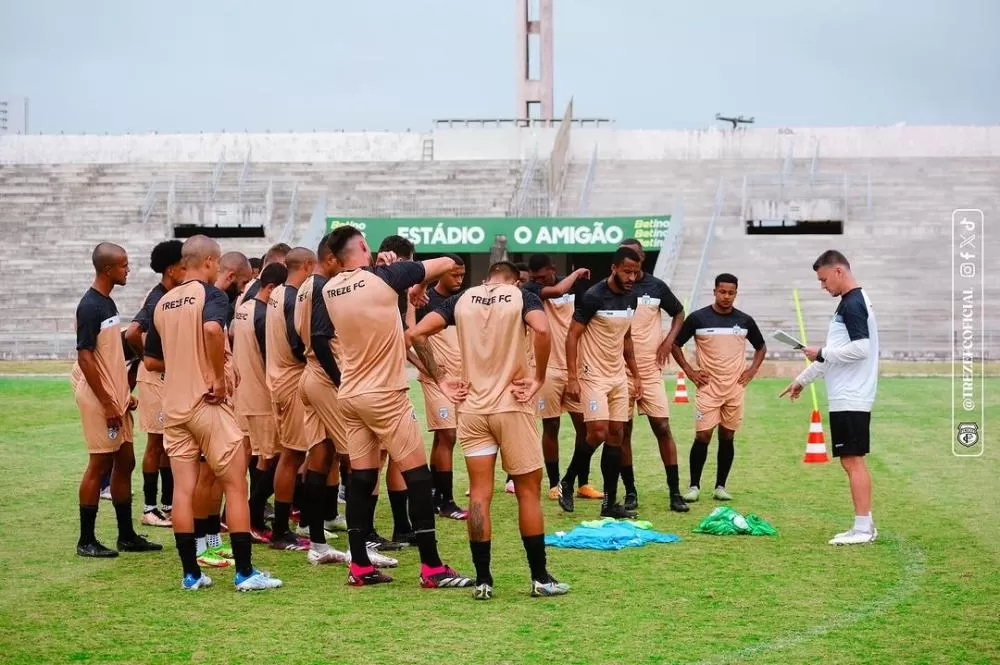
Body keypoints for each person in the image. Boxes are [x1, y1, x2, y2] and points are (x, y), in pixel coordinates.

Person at [407, 260, 570, 600]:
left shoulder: (463, 299)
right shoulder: (521, 296)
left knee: (480, 494)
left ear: (486, 279)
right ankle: (540, 578)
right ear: (515, 281)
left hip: (472, 409)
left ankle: (483, 580)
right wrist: (538, 378)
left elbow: (416, 333)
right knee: (528, 492)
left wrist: (441, 379)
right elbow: (542, 330)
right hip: (512, 405)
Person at [322, 225, 471, 587]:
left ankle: (359, 566)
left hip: (351, 394)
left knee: (362, 479)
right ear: (362, 246)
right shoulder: (385, 277)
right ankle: (432, 567)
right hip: (385, 394)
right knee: (418, 477)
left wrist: (398, 279)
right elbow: (448, 262)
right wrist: (417, 285)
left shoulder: (330, 288)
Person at [144, 234, 281, 591]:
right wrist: (217, 378)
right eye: (216, 263)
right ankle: (245, 573)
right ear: (208, 262)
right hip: (208, 403)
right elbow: (211, 329)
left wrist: (185, 363)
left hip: (174, 407)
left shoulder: (162, 303)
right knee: (235, 484)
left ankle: (191, 574)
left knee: (182, 490)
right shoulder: (211, 295)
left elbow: (151, 359)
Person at [780, 250, 880, 545]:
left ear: (839, 271)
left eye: (823, 280)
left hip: (851, 395)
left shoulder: (853, 304)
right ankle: (865, 525)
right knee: (851, 461)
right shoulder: (849, 303)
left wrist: (820, 352)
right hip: (847, 395)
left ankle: (862, 529)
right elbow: (832, 358)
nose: (822, 286)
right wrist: (802, 380)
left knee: (852, 461)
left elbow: (860, 349)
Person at [73, 242, 162, 558]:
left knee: (126, 461)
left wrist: (124, 396)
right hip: (101, 401)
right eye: (124, 265)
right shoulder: (90, 306)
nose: (128, 270)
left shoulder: (107, 303)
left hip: (117, 399)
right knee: (99, 465)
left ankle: (126, 536)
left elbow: (109, 357)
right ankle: (86, 540)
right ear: (108, 269)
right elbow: (85, 358)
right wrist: (109, 402)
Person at [294, 234, 368, 567]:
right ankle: (359, 546)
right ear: (331, 259)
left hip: (310, 374)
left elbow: (301, 337)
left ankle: (318, 544)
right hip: (325, 378)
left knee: (320, 457)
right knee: (355, 459)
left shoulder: (305, 287)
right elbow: (321, 338)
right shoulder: (323, 287)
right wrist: (340, 380)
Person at [557, 246, 643, 519]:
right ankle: (568, 481)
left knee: (617, 435)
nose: (631, 277)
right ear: (614, 268)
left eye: (636, 272)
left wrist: (636, 374)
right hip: (592, 375)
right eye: (627, 271)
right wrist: (572, 377)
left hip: (618, 377)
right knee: (597, 433)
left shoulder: (632, 298)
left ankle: (609, 503)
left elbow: (627, 338)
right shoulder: (593, 296)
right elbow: (572, 336)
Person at [671, 273, 766, 503]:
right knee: (703, 435)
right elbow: (675, 344)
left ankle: (720, 486)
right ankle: (694, 486)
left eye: (731, 293)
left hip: (734, 388)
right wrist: (690, 371)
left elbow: (761, 347)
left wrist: (752, 370)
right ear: (714, 292)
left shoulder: (744, 320)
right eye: (722, 292)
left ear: (736, 294)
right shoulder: (698, 318)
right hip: (708, 388)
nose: (726, 296)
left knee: (727, 435)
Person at [617, 239, 689, 513]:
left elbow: (679, 313)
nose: (631, 266)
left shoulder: (656, 286)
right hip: (619, 371)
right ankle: (630, 492)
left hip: (649, 370)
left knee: (662, 427)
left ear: (642, 257)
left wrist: (668, 341)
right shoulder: (612, 289)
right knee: (623, 432)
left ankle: (675, 492)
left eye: (635, 256)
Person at [522, 254, 597, 501]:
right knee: (551, 425)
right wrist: (576, 273)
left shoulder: (577, 288)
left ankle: (582, 482)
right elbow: (556, 291)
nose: (538, 280)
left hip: (575, 367)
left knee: (585, 427)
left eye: (542, 276)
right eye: (535, 277)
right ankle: (554, 484)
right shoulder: (531, 289)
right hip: (547, 368)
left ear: (552, 269)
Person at [124, 240, 186, 528]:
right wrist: (147, 358)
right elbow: (132, 332)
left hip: (164, 377)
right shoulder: (158, 298)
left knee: (167, 442)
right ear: (172, 269)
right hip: (154, 379)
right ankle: (149, 509)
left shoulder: (167, 295)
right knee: (155, 443)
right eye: (183, 267)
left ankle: (167, 504)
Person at [265, 247, 322, 552]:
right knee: (292, 454)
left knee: (292, 454)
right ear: (309, 265)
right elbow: (298, 343)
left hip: (279, 379)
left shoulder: (276, 293)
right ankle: (281, 530)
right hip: (291, 382)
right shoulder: (292, 297)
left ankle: (288, 524)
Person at [411, 254, 468, 520]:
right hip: (437, 379)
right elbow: (408, 338)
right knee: (448, 435)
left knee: (443, 437)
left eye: (462, 275)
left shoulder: (464, 301)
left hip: (460, 380)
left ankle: (435, 495)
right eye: (454, 274)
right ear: (440, 274)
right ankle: (447, 501)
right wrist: (428, 369)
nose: (459, 279)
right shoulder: (424, 301)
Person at [233, 262, 285, 542]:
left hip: (243, 396)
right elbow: (270, 360)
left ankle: (238, 516)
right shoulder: (264, 315)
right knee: (273, 459)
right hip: (262, 398)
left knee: (257, 458)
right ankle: (252, 519)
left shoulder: (244, 308)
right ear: (272, 288)